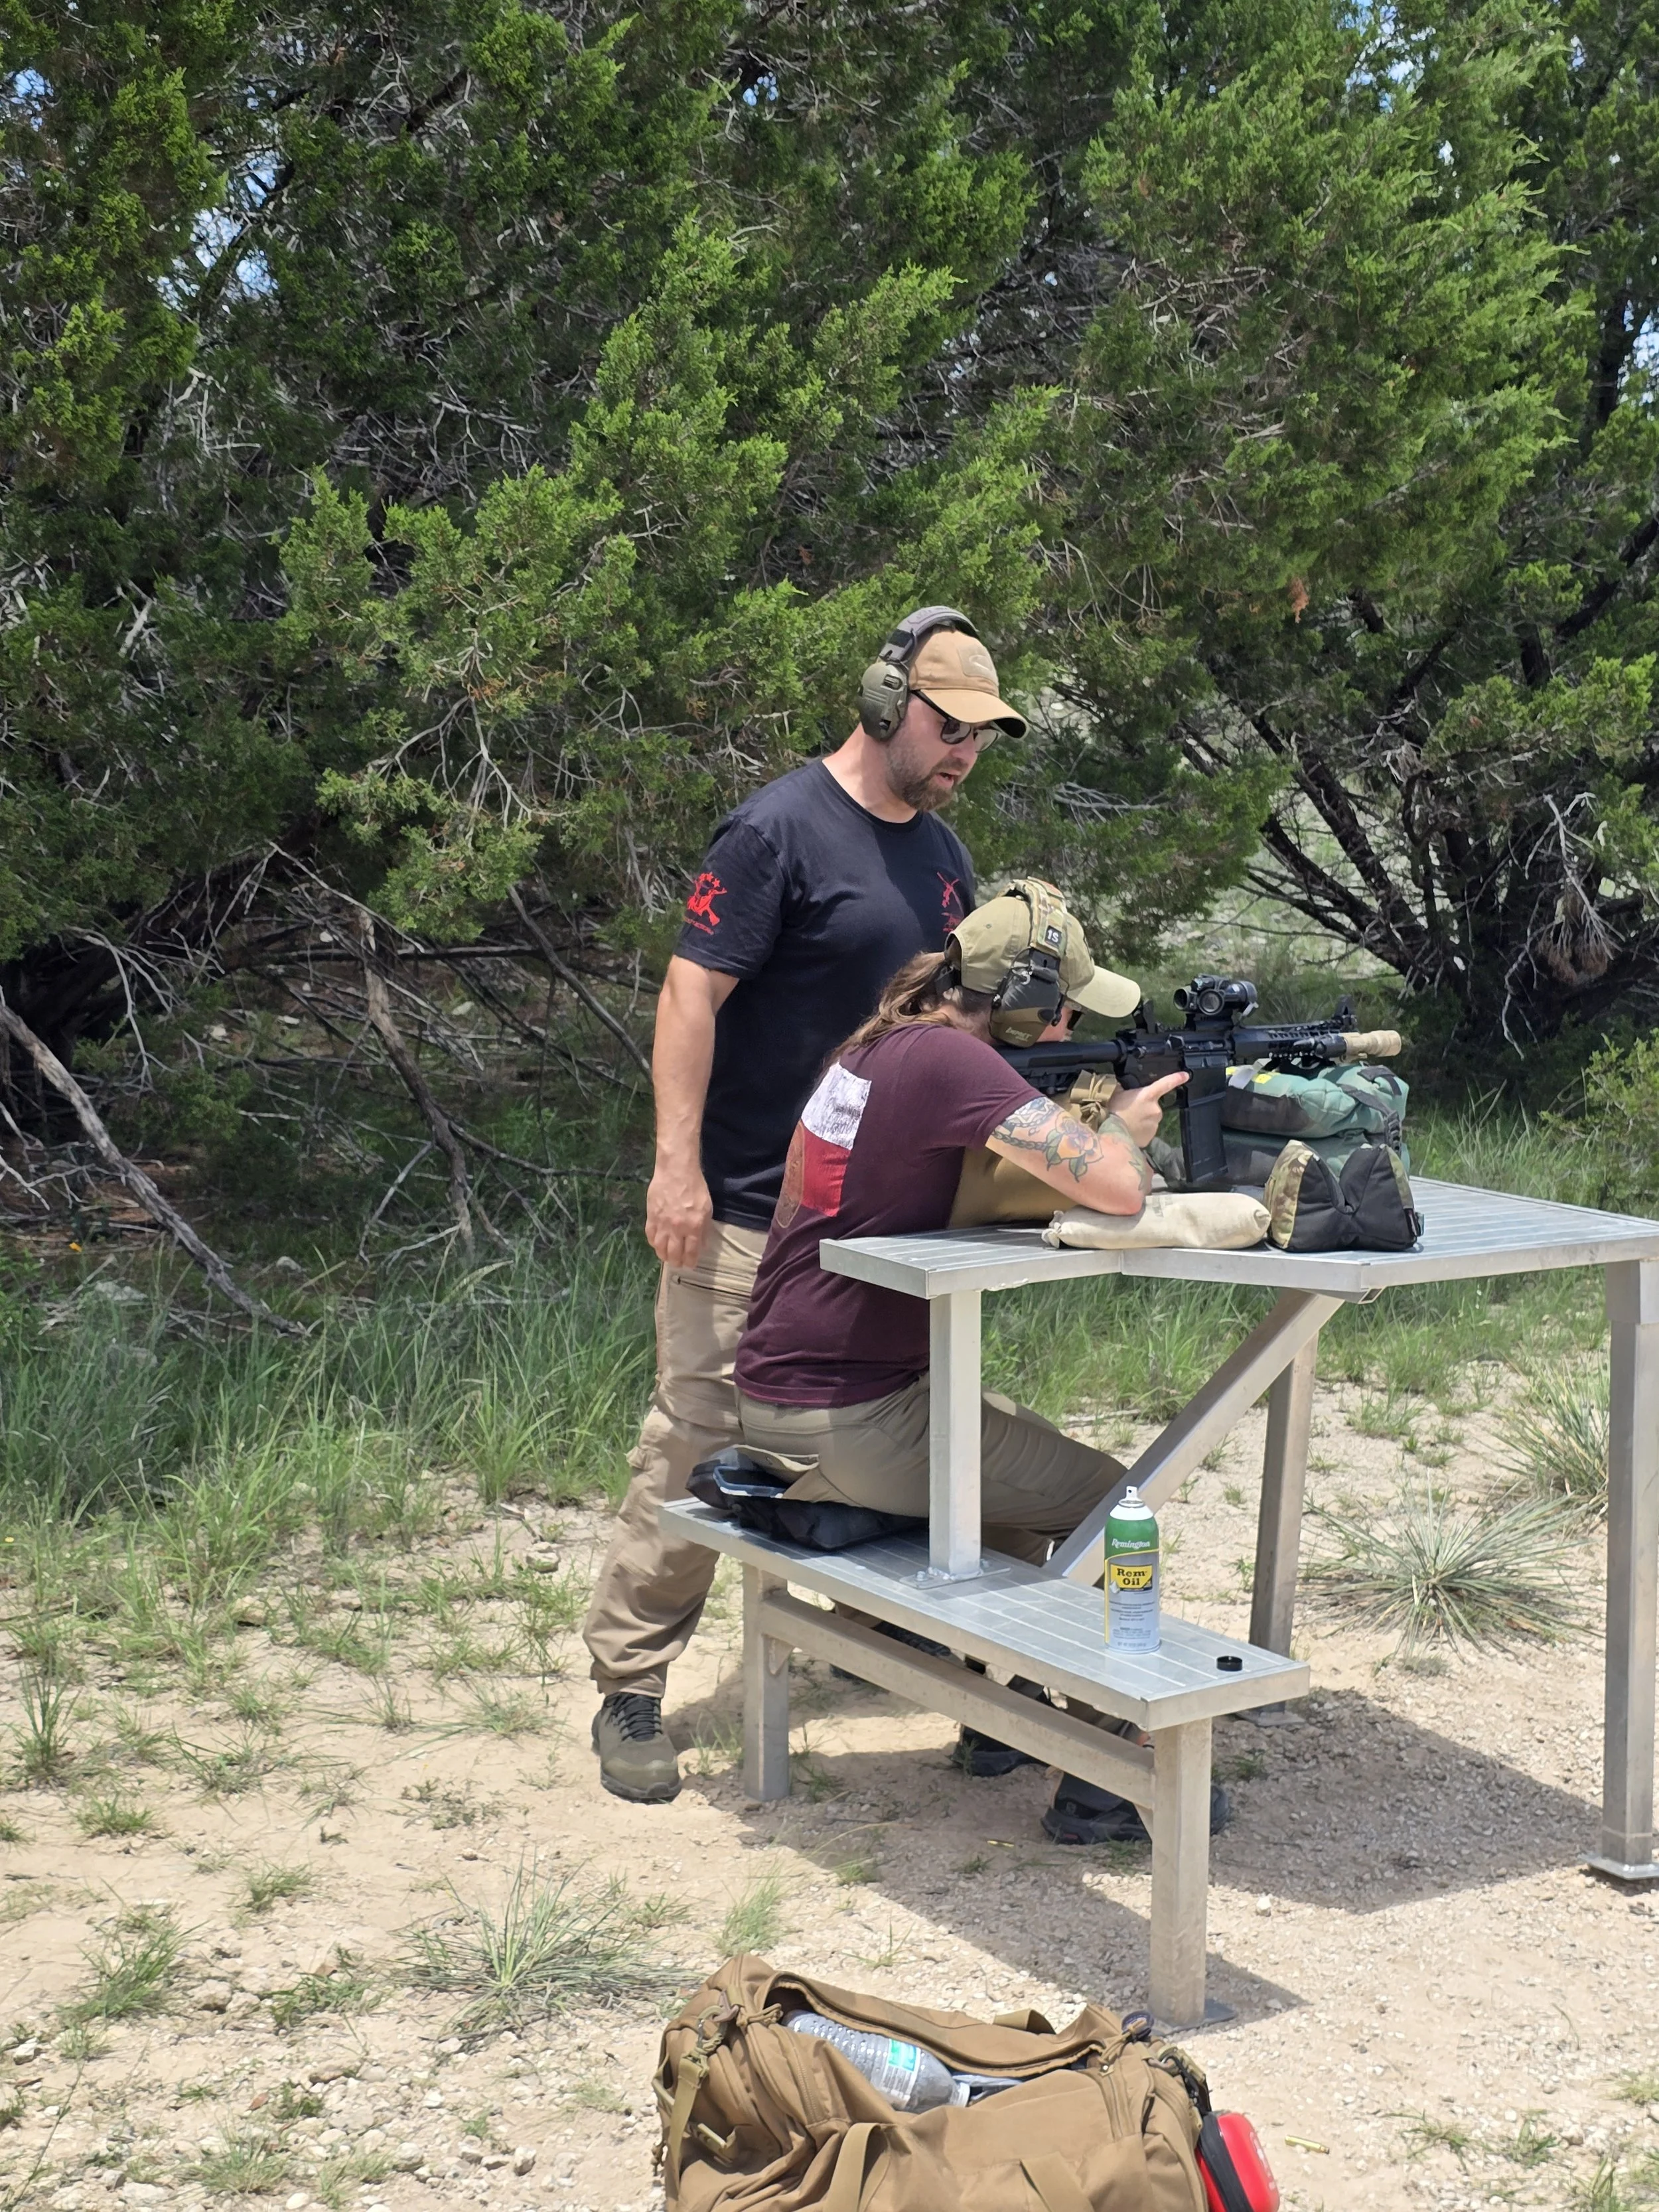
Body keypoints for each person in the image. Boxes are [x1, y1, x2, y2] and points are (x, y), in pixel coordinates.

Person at [584, 607, 1029, 1803]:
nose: (963, 755)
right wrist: (674, 1169)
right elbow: (690, 999)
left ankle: (960, 1666)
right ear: (890, 705)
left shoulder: (942, 856)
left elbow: (949, 1028)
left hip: (886, 1222)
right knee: (701, 1431)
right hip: (745, 1205)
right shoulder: (778, 829)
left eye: (982, 738)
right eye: (949, 728)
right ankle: (630, 1685)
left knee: (894, 1437)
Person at [732, 881, 1194, 1844]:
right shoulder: (948, 1060)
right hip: (853, 1414)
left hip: (786, 1389)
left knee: (1022, 1494)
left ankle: (1006, 1722)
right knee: (1113, 1507)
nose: (1065, 1021)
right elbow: (1113, 1190)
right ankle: (1114, 1772)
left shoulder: (876, 1045)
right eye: (1059, 1001)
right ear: (1018, 991)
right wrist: (1124, 1133)